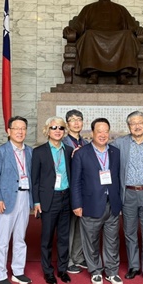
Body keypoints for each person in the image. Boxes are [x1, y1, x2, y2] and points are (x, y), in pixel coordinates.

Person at [63, 0, 143, 85]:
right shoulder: (88, 9)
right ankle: (93, 74)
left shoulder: (121, 9)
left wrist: (139, 30)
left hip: (118, 39)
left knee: (127, 35)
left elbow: (132, 27)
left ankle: (122, 74)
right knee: (89, 34)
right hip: (94, 38)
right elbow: (78, 27)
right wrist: (70, 30)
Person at [71, 118, 123, 284]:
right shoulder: (81, 153)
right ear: (92, 133)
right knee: (91, 240)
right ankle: (95, 271)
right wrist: (76, 204)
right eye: (99, 131)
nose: (102, 135)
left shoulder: (115, 152)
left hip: (112, 203)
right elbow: (75, 181)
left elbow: (118, 178)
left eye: (106, 131)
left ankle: (112, 272)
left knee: (112, 240)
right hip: (90, 204)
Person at [112, 111, 143, 284]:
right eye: (133, 123)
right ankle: (133, 266)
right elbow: (101, 151)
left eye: (140, 122)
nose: (137, 126)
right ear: (128, 126)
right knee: (130, 232)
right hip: (128, 194)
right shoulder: (119, 143)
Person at [0, 116, 34, 284]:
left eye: (23, 128)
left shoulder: (30, 151)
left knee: (20, 237)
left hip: (25, 196)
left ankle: (18, 271)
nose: (20, 132)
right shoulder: (1, 151)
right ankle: (0, 275)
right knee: (3, 239)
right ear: (9, 131)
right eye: (16, 128)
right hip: (6, 199)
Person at [31, 116, 74, 284]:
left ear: (65, 131)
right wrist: (36, 202)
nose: (57, 131)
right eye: (54, 127)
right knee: (47, 238)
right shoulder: (39, 152)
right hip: (49, 199)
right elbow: (34, 180)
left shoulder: (69, 151)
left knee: (64, 237)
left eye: (61, 128)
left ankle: (62, 269)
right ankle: (48, 271)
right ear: (47, 130)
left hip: (66, 197)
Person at [62, 109, 88, 274]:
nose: (76, 122)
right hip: (69, 190)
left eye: (79, 119)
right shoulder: (63, 142)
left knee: (81, 226)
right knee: (69, 227)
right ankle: (68, 260)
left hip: (85, 191)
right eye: (72, 120)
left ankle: (78, 257)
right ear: (67, 124)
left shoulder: (86, 143)